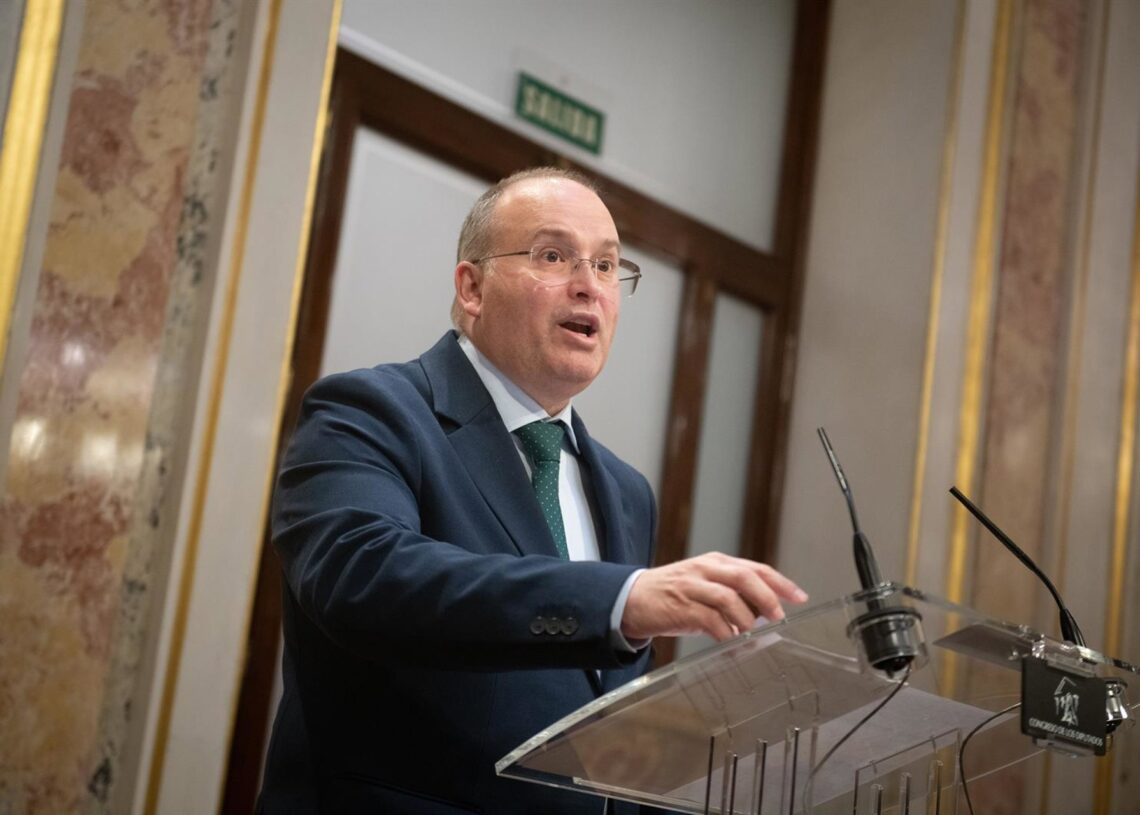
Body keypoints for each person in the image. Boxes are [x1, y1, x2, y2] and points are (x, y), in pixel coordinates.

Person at [258, 167, 807, 814]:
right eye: (553, 256)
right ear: (472, 287)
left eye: (607, 265)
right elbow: (364, 577)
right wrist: (620, 601)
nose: (589, 285)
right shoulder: (369, 412)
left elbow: (604, 723)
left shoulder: (627, 492)